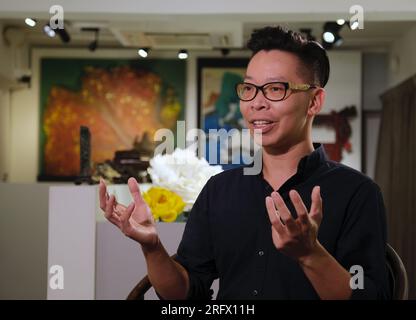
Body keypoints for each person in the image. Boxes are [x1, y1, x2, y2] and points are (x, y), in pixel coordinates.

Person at [99, 26, 390, 300]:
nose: (256, 103)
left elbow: (368, 294)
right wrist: (152, 247)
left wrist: (310, 254)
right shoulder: (219, 190)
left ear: (314, 101)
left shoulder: (357, 193)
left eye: (276, 89)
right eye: (249, 89)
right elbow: (187, 294)